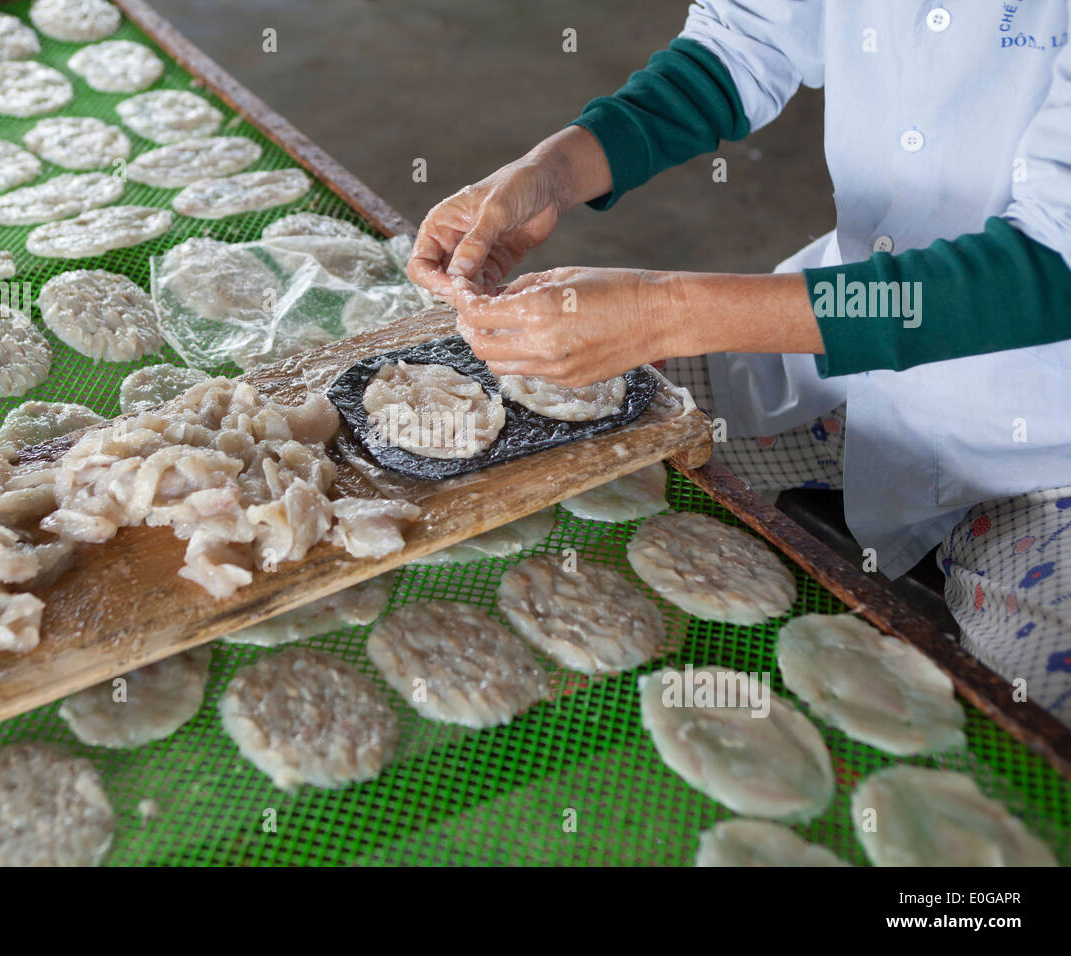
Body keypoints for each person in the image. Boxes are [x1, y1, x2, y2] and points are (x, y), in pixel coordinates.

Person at [407, 0, 1071, 725]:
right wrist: (552, 172)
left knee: (1035, 756)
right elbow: (744, 44)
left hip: (1041, 451)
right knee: (505, 424)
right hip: (830, 359)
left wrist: (666, 312)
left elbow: (1044, 270)